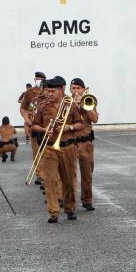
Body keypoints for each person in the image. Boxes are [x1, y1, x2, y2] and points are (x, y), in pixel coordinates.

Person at [30, 76, 85, 223]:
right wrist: (43, 129)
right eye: (47, 91)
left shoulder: (70, 104)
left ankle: (70, 208)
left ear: (61, 90)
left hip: (68, 147)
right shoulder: (42, 106)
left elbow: (81, 124)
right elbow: (33, 125)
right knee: (50, 181)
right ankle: (53, 212)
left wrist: (69, 127)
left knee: (68, 181)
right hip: (50, 147)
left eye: (52, 91)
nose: (49, 94)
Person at [70, 78, 98, 210]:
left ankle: (87, 199)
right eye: (73, 88)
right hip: (70, 143)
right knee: (70, 175)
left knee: (87, 174)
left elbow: (95, 119)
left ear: (83, 89)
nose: (76, 91)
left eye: (78, 88)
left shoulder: (89, 100)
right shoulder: (66, 102)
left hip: (85, 142)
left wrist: (84, 105)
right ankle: (70, 202)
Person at [20, 71, 47, 177]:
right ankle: (39, 175)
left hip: (45, 125)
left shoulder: (49, 91)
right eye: (37, 78)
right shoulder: (29, 93)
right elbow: (22, 107)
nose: (38, 80)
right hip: (33, 125)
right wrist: (26, 119)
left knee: (46, 152)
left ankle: (45, 173)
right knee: (36, 151)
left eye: (40, 78)